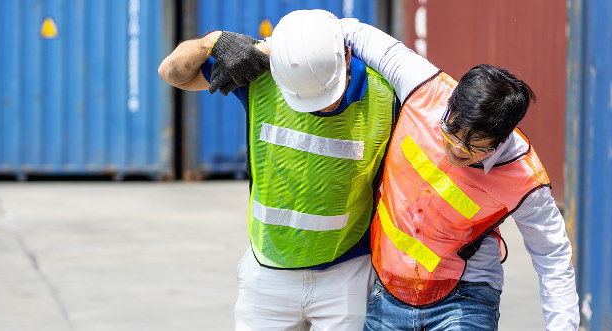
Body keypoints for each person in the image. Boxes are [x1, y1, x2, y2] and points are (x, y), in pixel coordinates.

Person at [211, 17, 580, 331]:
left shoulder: (526, 182)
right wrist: (266, 47)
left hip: (464, 292)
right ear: (450, 105)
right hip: (386, 288)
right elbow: (348, 30)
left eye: (475, 146)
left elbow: (553, 258)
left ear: (503, 137)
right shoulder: (423, 88)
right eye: (451, 132)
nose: (456, 149)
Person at [158, 10, 399, 330]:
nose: (317, 105)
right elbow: (172, 73)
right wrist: (211, 42)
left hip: (347, 275)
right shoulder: (261, 74)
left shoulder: (386, 94)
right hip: (267, 272)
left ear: (347, 53)